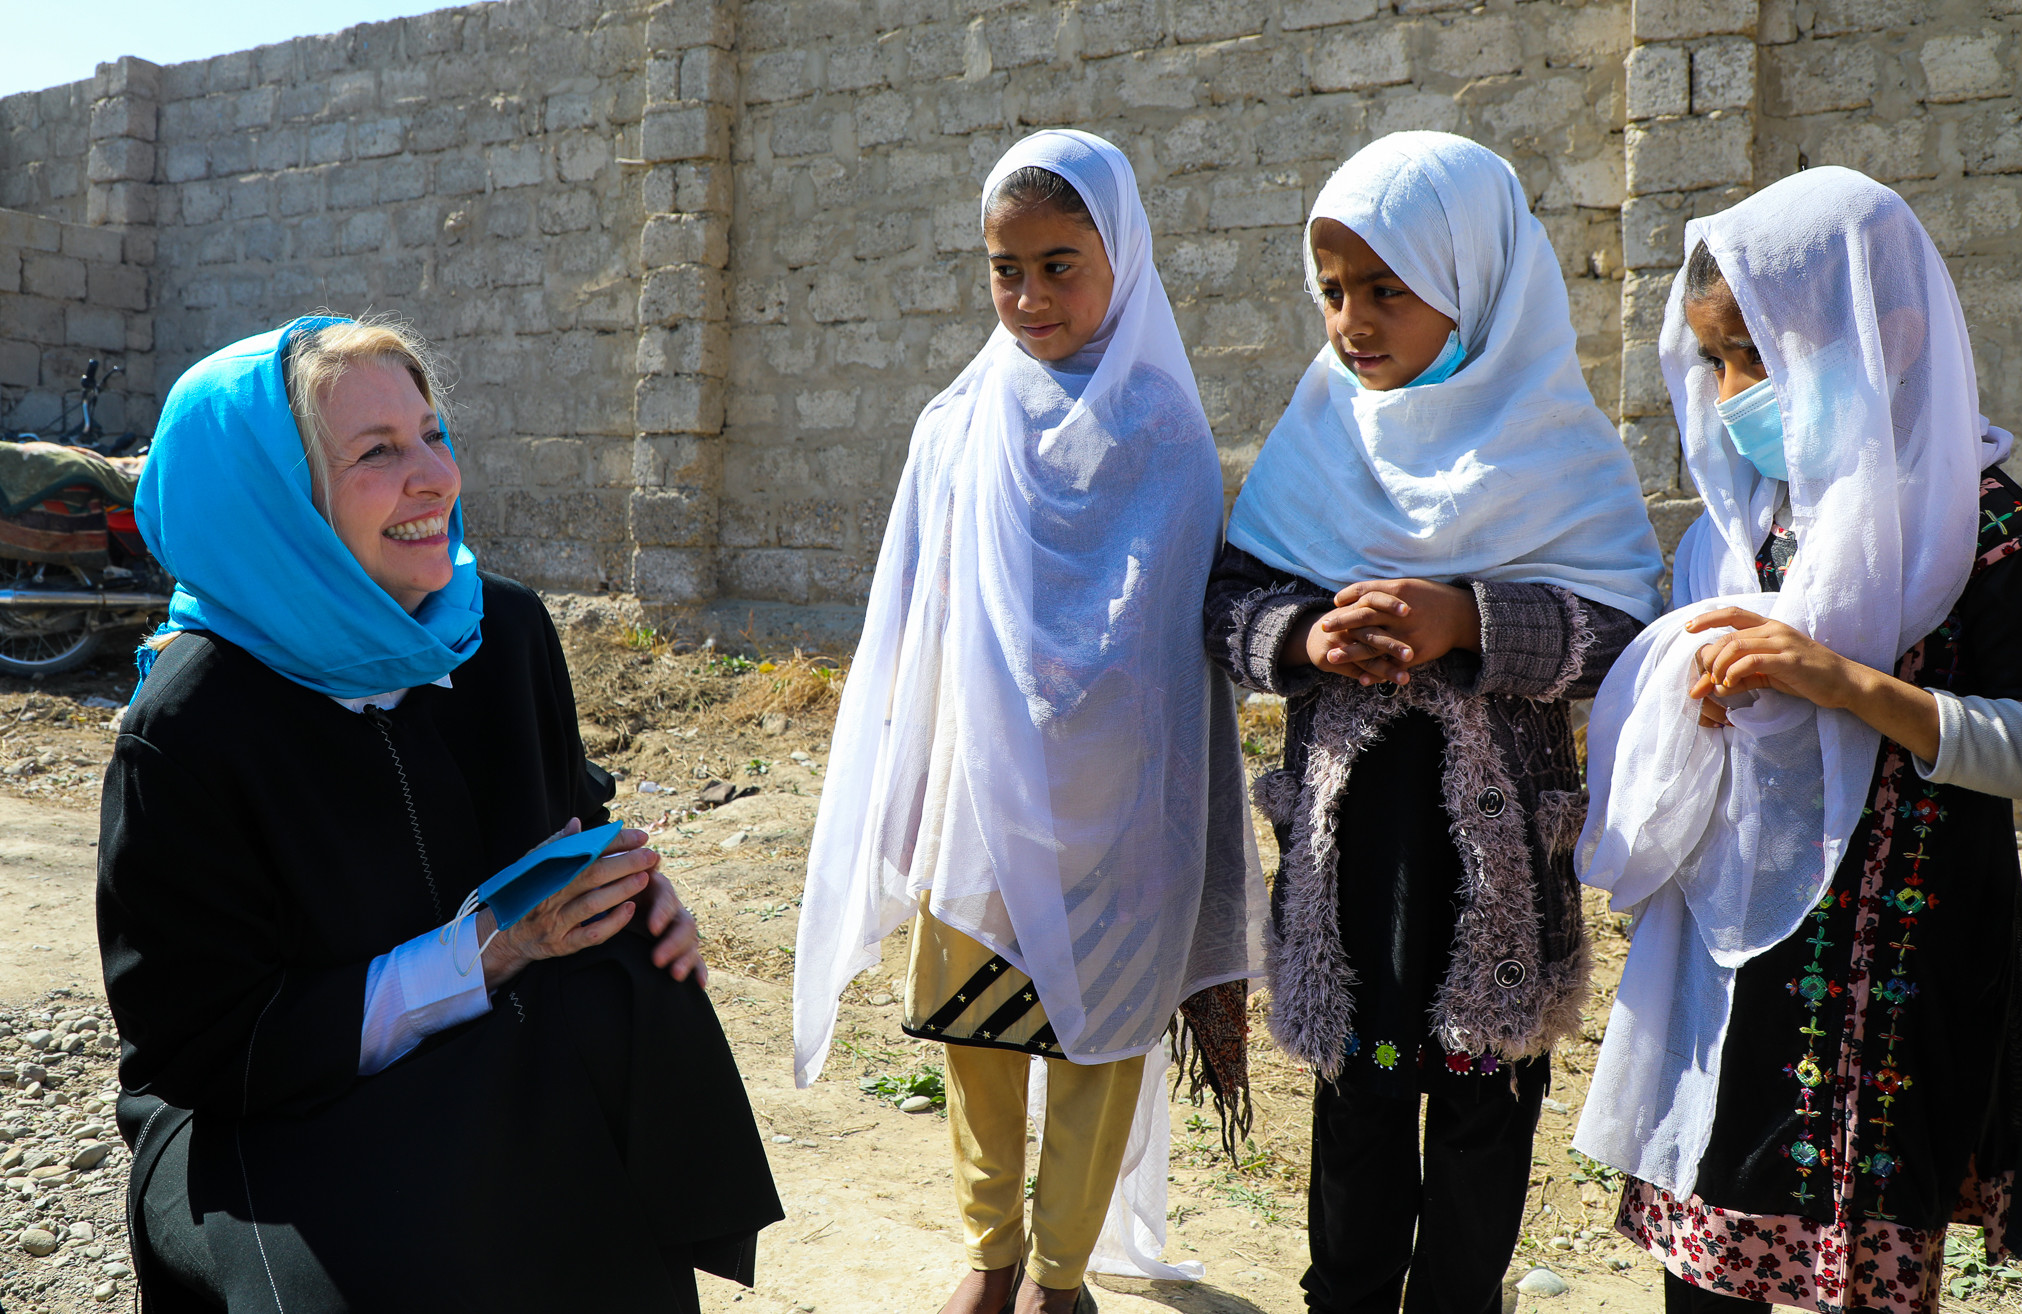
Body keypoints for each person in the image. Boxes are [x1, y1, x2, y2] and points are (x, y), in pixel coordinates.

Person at [99, 316, 782, 1313]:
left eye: (434, 435)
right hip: (274, 1100)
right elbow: (202, 1050)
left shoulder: (496, 632)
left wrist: (625, 890)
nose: (435, 478)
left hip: (485, 1043)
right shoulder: (193, 723)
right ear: (271, 497)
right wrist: (479, 958)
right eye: (377, 452)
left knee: (621, 1020)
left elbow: (560, 828)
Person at [792, 129, 1264, 1314]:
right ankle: (988, 1250)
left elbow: (1157, 636)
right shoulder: (956, 425)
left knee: (1101, 1033)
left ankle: (1061, 1272)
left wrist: (1064, 697)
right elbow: (921, 616)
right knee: (979, 1025)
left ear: (1124, 258)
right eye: (1005, 268)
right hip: (984, 788)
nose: (1029, 295)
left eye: (1061, 264)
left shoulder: (1160, 429)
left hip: (1116, 800)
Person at [1572, 166, 2022, 1314]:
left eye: (1755, 355)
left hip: (1902, 974)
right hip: (1741, 966)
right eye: (1715, 363)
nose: (1735, 392)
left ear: (1880, 335)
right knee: (1707, 1265)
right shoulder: (1749, 530)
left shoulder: (1984, 530)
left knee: (1868, 1278)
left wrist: (1845, 685)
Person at [1207, 131, 1666, 1314]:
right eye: (1331, 292)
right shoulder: (1317, 435)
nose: (1351, 321)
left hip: (1493, 875)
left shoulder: (1559, 456)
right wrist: (1301, 638)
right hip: (1351, 858)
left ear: (1472, 284)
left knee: (1481, 1096)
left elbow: (1624, 640)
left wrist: (1466, 619)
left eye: (1384, 290)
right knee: (1355, 1092)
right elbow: (1224, 603)